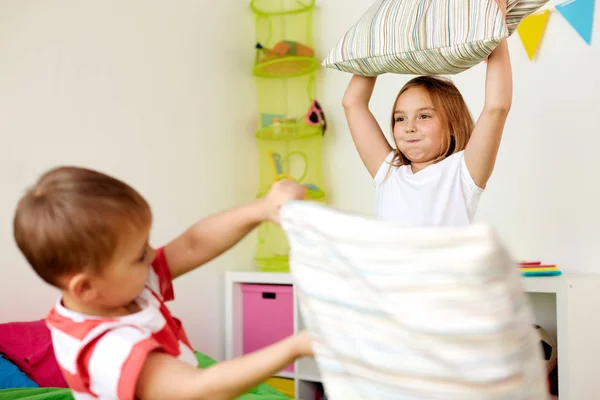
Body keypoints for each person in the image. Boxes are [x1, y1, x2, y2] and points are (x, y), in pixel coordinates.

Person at [13, 166, 313, 400]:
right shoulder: (108, 347)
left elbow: (194, 244)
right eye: (140, 255)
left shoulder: (115, 289)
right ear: (85, 287)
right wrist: (295, 347)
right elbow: (200, 389)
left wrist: (261, 208)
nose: (153, 255)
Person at [341, 1, 512, 227]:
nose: (409, 127)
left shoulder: (462, 173)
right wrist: (378, 43)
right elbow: (352, 103)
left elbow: (496, 107)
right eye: (400, 118)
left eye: (424, 116)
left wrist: (495, 30)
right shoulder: (389, 173)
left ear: (452, 126)